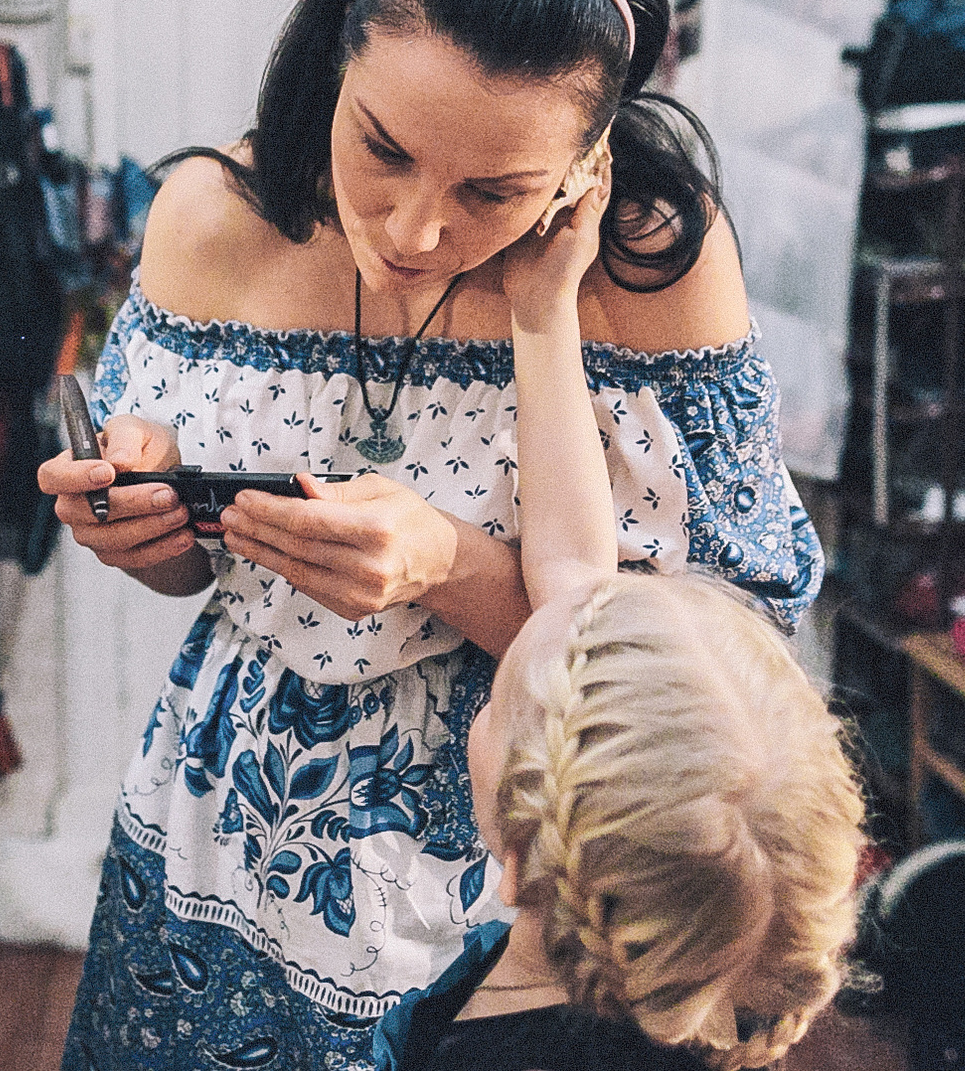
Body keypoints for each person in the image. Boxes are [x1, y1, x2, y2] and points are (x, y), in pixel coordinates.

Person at [36, 0, 823, 1069]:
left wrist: (448, 563)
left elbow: (715, 663)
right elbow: (192, 573)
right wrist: (148, 527)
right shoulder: (208, 216)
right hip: (221, 831)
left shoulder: (649, 261)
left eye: (490, 190)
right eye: (382, 150)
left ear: (587, 159)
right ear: (339, 65)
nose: (411, 228)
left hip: (528, 855)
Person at [372, 176, 867, 1071]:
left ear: (518, 858)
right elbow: (572, 576)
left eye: (492, 710)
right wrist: (542, 308)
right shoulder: (684, 989)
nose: (484, 707)